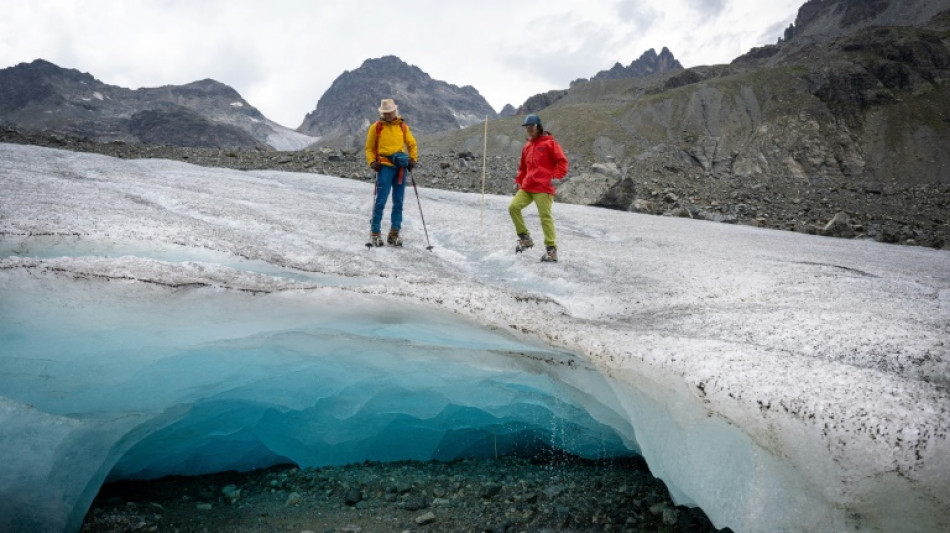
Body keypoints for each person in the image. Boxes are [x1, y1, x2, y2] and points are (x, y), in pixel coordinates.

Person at [509, 113, 569, 262]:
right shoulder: (527, 146)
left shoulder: (550, 143)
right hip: (527, 186)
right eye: (527, 127)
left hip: (543, 187)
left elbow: (562, 162)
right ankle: (525, 238)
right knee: (513, 207)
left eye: (532, 126)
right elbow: (523, 168)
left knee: (545, 217)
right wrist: (518, 181)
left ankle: (551, 251)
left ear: (538, 127)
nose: (529, 129)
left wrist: (556, 177)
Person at [365, 98, 418, 247]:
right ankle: (375, 233)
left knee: (398, 202)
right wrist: (372, 162)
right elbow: (369, 148)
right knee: (381, 201)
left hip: (400, 168)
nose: (388, 115)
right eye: (385, 113)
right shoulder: (376, 127)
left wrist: (413, 159)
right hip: (384, 168)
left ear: (395, 111)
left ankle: (394, 234)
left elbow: (412, 144)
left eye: (390, 112)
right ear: (382, 113)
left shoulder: (402, 126)